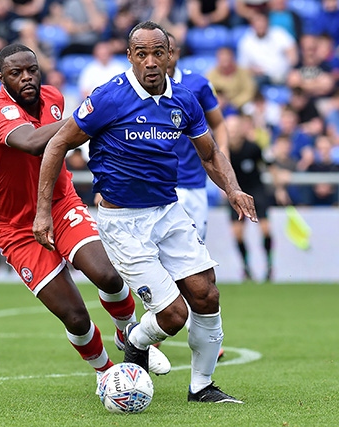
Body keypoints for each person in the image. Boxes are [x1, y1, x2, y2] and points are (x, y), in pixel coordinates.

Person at [33, 21, 256, 403]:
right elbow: (57, 145)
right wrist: (43, 213)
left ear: (171, 56)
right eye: (142, 54)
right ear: (130, 57)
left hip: (168, 212)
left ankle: (201, 387)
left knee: (206, 296)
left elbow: (210, 153)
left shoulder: (184, 100)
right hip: (123, 223)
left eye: (158, 53)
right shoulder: (109, 98)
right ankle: (134, 344)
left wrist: (233, 189)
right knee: (173, 315)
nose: (151, 61)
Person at [0, 43, 171, 393]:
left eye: (31, 70)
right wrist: (97, 112)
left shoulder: (53, 97)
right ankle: (106, 374)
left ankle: (128, 333)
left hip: (61, 203)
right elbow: (37, 142)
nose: (26, 78)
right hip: (16, 228)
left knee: (108, 276)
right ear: (1, 79)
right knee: (75, 316)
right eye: (15, 73)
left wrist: (94, 116)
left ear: (40, 71)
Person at [167, 32, 228, 240]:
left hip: (193, 180)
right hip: (158, 182)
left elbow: (218, 124)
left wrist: (223, 159)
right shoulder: (137, 87)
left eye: (169, 50)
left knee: (196, 246)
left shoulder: (198, 84)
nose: (165, 56)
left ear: (177, 53)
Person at [226, 113, 273, 282]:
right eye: (229, 129)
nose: (232, 132)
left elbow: (267, 165)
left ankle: (269, 267)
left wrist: (279, 186)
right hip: (236, 193)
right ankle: (246, 268)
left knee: (266, 229)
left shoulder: (253, 147)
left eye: (235, 128)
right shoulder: (224, 151)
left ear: (241, 129)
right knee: (237, 233)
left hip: (256, 191)